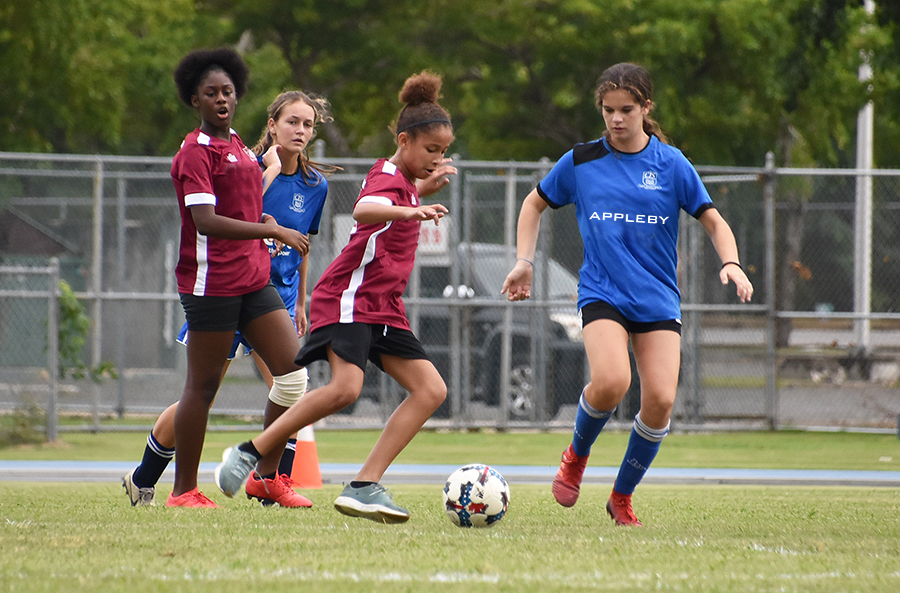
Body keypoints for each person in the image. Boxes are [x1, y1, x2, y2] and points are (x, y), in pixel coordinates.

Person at [501, 62, 753, 526]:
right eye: (608, 110)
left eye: (627, 110)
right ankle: (575, 456)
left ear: (646, 108)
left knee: (659, 400)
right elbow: (534, 203)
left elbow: (713, 220)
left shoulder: (671, 164)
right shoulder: (581, 160)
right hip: (603, 293)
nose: (616, 119)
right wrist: (524, 261)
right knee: (613, 381)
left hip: (657, 298)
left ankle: (621, 496)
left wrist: (731, 263)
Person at [213, 70, 456, 524]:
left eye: (443, 152)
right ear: (404, 141)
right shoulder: (385, 174)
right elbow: (365, 209)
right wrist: (411, 209)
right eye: (430, 150)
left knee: (430, 389)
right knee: (346, 388)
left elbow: (396, 196)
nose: (436, 157)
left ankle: (365, 485)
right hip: (351, 296)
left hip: (384, 306)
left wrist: (421, 190)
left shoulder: (403, 181)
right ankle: (250, 452)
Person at [122, 89, 335, 508]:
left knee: (290, 381)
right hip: (226, 288)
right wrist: (270, 170)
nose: (300, 130)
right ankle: (145, 476)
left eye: (308, 124)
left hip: (272, 297)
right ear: (271, 124)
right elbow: (233, 210)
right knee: (202, 393)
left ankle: (272, 478)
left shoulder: (315, 186)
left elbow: (302, 245)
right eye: (291, 121)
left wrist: (301, 302)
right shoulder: (248, 166)